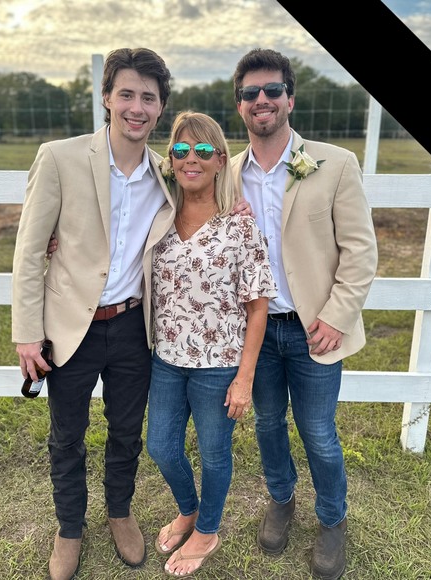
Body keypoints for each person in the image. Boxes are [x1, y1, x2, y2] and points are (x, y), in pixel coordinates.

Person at [11, 47, 176, 580]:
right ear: (106, 97)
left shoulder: (167, 172)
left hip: (133, 325)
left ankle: (120, 512)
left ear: (160, 107)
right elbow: (29, 251)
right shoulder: (59, 158)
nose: (136, 107)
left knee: (127, 431)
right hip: (70, 327)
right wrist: (27, 334)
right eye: (126, 94)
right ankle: (69, 528)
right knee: (67, 435)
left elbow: (210, 200)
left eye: (148, 97)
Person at [230, 48, 378, 580]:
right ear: (239, 105)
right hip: (258, 332)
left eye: (272, 90)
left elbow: (360, 250)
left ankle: (333, 519)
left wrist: (337, 316)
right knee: (268, 424)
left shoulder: (334, 163)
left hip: (315, 330)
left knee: (318, 432)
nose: (262, 99)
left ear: (290, 99)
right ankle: (281, 499)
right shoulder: (228, 173)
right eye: (250, 93)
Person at [146, 110, 277, 578]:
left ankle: (207, 529)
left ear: (221, 160)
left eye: (203, 150)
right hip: (166, 359)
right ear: (171, 159)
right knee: (160, 446)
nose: (192, 159)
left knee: (215, 453)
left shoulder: (239, 226)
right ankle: (189, 509)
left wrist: (244, 378)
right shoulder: (159, 217)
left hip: (219, 363)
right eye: (181, 150)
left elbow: (258, 307)